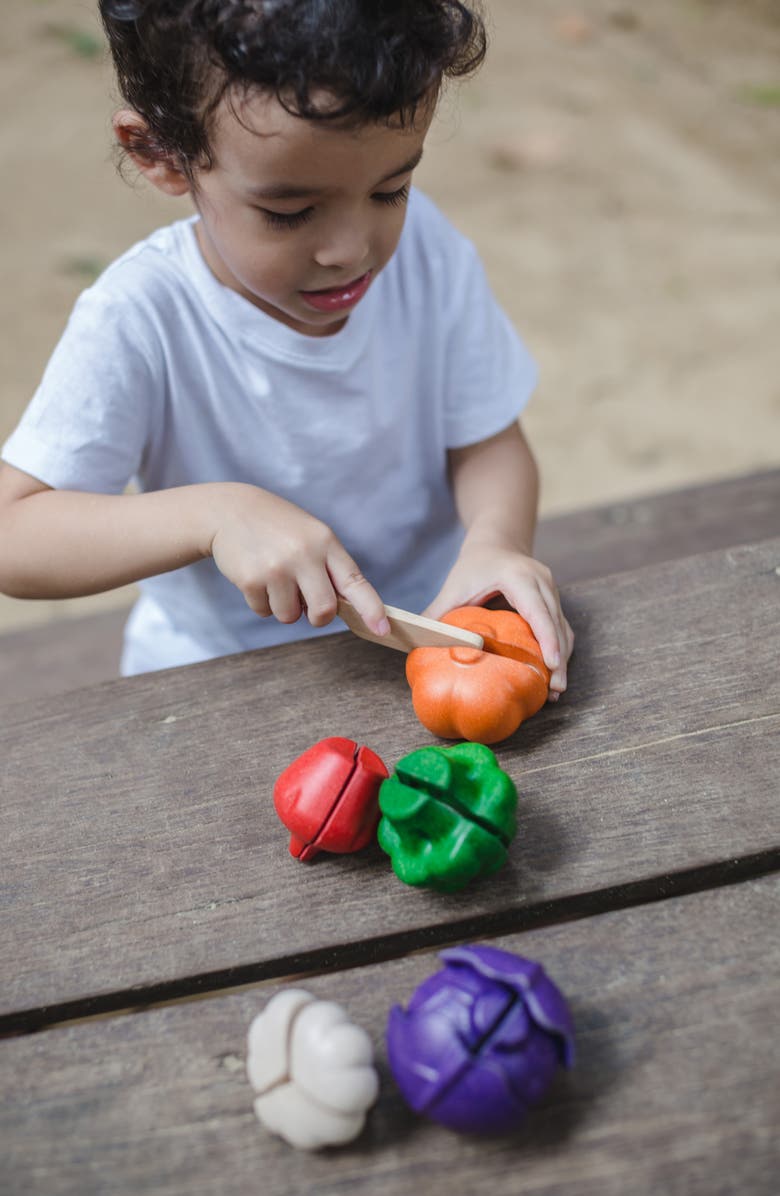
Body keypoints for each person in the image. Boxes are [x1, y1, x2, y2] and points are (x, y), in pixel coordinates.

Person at [0, 0, 573, 696]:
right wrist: (212, 514)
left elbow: (487, 440)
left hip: (429, 639)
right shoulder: (142, 318)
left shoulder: (426, 247)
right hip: (220, 683)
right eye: (289, 212)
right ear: (161, 154)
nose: (350, 249)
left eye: (390, 189)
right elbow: (12, 533)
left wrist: (496, 543)